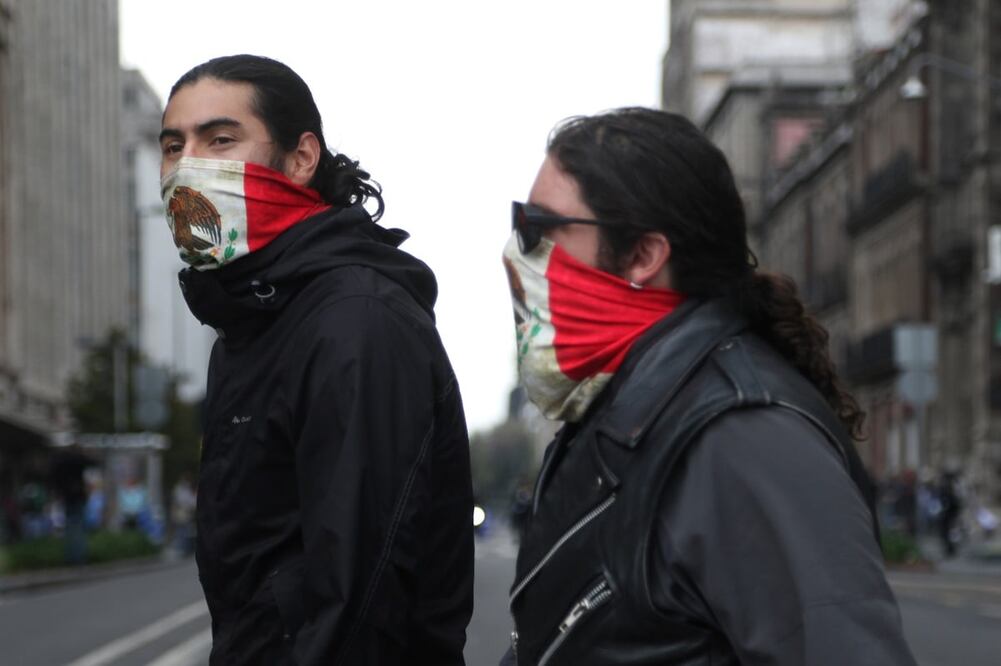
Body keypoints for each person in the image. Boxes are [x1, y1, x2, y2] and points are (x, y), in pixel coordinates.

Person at [500, 108, 916, 665]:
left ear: (644, 256)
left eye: (538, 227)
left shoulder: (746, 435)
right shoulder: (630, 407)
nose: (518, 250)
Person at [160, 55, 474, 664]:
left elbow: (362, 596)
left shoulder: (353, 319)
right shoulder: (253, 315)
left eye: (220, 139)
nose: (187, 165)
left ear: (302, 159)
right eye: (174, 146)